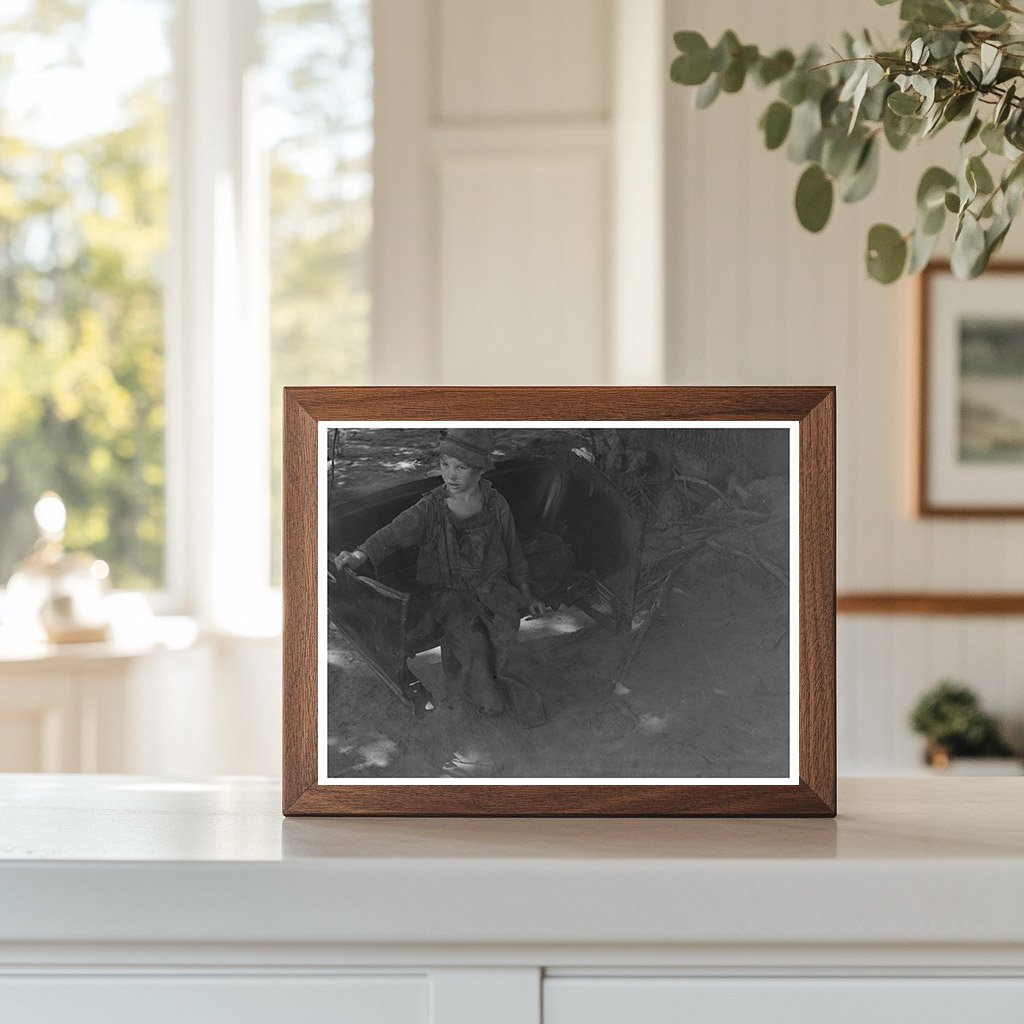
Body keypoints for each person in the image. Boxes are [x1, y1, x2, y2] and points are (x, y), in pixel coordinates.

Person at [334, 429, 548, 727]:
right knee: (470, 641)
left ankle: (505, 686)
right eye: (445, 464)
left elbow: (514, 552)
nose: (451, 474)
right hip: (446, 593)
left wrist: (527, 594)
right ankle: (487, 698)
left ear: (480, 469)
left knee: (504, 634)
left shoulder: (496, 504)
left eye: (461, 467)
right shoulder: (430, 508)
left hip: (491, 588)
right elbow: (392, 534)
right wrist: (360, 555)